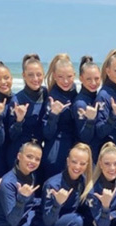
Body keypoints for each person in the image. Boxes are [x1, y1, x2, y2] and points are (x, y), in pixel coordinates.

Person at [31, 143, 95, 226]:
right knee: (76, 220)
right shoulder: (53, 184)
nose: (77, 167)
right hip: (44, 225)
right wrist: (57, 203)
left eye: (82, 163)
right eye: (74, 162)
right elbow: (48, 220)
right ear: (67, 161)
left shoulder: (84, 182)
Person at [6, 54, 48, 168]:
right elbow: (12, 136)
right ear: (23, 76)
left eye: (39, 74)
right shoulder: (17, 100)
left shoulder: (47, 95)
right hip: (19, 155)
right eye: (30, 75)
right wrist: (19, 121)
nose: (35, 79)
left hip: (38, 155)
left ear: (43, 75)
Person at [41, 53, 78, 181]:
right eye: (61, 77)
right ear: (55, 76)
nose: (66, 81)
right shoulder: (53, 97)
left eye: (69, 76)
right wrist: (54, 114)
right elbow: (47, 133)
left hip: (73, 146)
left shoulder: (74, 91)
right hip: (56, 150)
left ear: (74, 75)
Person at [72, 56, 100, 154]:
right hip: (86, 154)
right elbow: (85, 138)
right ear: (81, 78)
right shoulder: (80, 103)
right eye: (89, 79)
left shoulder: (97, 97)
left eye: (96, 78)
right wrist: (90, 120)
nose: (93, 83)